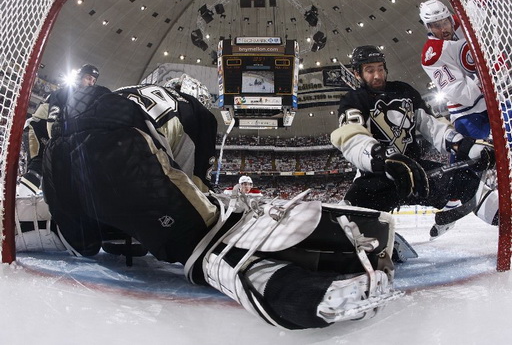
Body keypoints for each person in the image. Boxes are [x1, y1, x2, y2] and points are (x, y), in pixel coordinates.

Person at [38, 74, 399, 329]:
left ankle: (41, 230)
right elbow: (191, 181)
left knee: (83, 243)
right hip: (122, 148)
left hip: (59, 157)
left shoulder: (128, 91)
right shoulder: (191, 108)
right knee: (208, 237)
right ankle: (298, 295)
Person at [330, 45, 497, 235]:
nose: (377, 75)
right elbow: (352, 137)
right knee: (346, 223)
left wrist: (463, 144)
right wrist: (383, 158)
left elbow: (432, 125)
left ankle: (503, 217)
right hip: (377, 179)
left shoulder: (405, 91)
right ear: (357, 74)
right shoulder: (353, 100)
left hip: (418, 175)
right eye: (369, 70)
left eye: (380, 68)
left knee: (470, 185)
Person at [15, 64, 101, 252]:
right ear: (79, 77)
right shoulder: (64, 93)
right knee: (37, 166)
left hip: (55, 136)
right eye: (88, 78)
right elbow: (52, 121)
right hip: (38, 130)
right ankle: (16, 211)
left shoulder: (84, 101)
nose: (91, 83)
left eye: (94, 81)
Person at [419, 0, 490, 140]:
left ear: (450, 19)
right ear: (429, 28)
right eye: (436, 26)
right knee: (484, 155)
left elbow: (475, 8)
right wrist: (486, 76)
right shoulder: (432, 54)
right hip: (468, 115)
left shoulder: (459, 23)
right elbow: (463, 95)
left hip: (491, 101)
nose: (443, 29)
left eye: (445, 22)